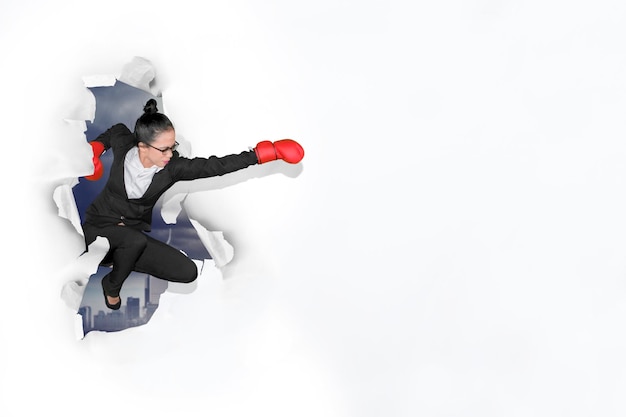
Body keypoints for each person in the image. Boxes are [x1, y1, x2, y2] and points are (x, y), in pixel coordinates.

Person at [82, 99, 304, 310]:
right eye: (164, 149)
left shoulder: (173, 168)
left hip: (129, 237)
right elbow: (115, 131)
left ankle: (115, 256)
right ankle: (111, 286)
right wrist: (97, 147)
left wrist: (261, 155)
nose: (171, 154)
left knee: (187, 272)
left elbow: (215, 166)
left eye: (173, 146)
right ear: (142, 146)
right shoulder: (124, 143)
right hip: (99, 226)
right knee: (135, 240)